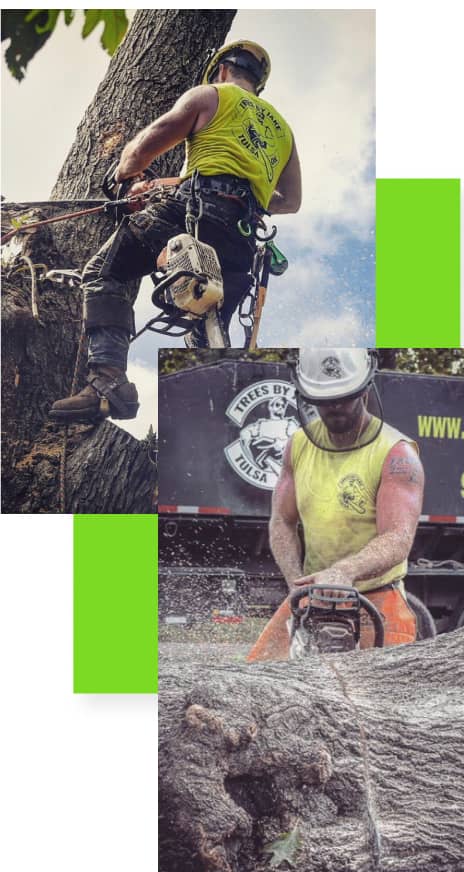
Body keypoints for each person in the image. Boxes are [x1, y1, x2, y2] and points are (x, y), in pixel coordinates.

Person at [50, 41, 302, 423]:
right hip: (241, 240)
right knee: (208, 328)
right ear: (258, 83)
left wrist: (125, 172)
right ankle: (223, 411)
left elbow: (153, 139)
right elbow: (290, 201)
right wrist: (233, 194)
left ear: (220, 70)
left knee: (105, 273)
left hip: (193, 213)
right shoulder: (283, 130)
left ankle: (107, 381)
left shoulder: (211, 95)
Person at [247, 348, 424, 661]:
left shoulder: (396, 454)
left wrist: (345, 571)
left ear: (365, 389)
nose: (335, 407)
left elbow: (398, 539)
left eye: (344, 397)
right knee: (257, 677)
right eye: (324, 400)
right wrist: (295, 584)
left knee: (385, 697)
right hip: (311, 595)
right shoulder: (299, 444)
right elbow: (282, 521)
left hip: (377, 595)